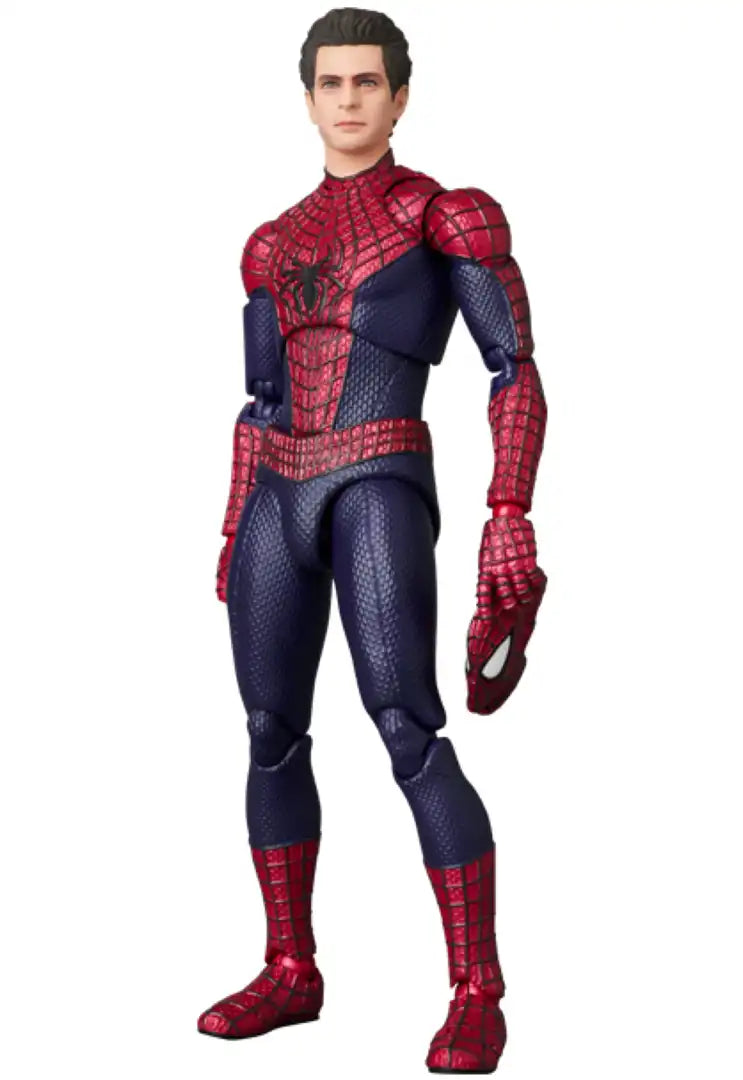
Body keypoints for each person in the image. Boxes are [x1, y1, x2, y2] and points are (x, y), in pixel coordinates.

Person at [198, 7, 547, 1074]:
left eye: (366, 82)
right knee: (269, 731)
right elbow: (259, 400)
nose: (347, 99)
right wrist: (232, 520)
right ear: (307, 97)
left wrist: (507, 514)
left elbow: (514, 370)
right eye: (330, 82)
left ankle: (477, 990)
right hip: (278, 490)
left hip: (379, 475)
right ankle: (290, 967)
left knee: (407, 727)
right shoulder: (269, 243)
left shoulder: (444, 214)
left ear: (399, 95)